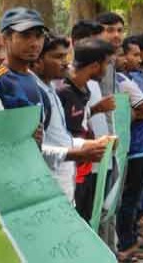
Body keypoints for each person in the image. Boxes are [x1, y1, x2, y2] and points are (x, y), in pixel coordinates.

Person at [33, 35, 109, 204]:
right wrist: (78, 153)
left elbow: (60, 138)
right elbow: (33, 149)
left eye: (66, 56)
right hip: (50, 188)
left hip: (66, 185)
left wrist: (88, 145)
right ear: (38, 61)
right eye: (58, 57)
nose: (66, 63)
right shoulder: (36, 93)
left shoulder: (51, 88)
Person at [57, 38, 115, 221]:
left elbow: (79, 119)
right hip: (68, 172)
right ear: (96, 65)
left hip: (84, 167)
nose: (107, 70)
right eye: (107, 63)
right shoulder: (62, 91)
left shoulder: (85, 89)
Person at [113, 44, 143, 261]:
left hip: (141, 145)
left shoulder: (128, 79)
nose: (136, 60)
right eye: (132, 55)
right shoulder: (120, 82)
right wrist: (128, 114)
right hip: (129, 149)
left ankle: (131, 236)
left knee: (134, 195)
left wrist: (129, 114)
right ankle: (126, 243)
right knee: (126, 199)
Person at [0, 7, 48, 147]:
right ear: (5, 38)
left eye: (39, 36)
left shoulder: (33, 79)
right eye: (26, 36)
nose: (34, 44)